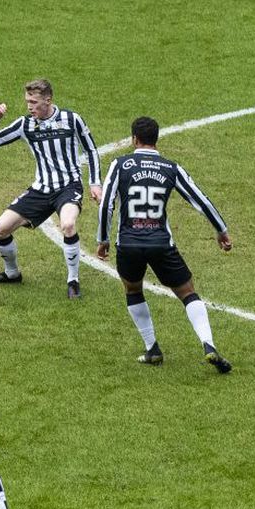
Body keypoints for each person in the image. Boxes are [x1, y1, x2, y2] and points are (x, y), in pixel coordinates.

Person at [96, 116, 234, 373]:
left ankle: (152, 349)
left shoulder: (121, 164)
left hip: (129, 244)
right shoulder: (170, 168)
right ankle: (208, 345)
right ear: (156, 139)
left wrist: (102, 239)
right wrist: (221, 230)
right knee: (187, 292)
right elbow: (200, 200)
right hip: (161, 243)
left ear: (134, 139)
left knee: (133, 290)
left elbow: (107, 205)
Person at [0, 79, 101, 299]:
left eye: (34, 102)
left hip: (68, 186)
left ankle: (73, 281)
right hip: (41, 189)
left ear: (48, 100)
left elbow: (91, 150)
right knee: (0, 229)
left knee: (68, 224)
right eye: (27, 101)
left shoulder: (71, 120)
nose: (29, 106)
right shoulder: (25, 124)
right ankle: (12, 274)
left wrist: (95, 183)